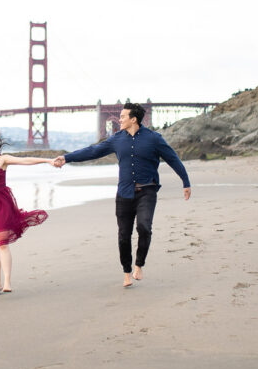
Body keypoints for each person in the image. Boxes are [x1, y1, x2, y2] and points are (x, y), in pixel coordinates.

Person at [53, 102, 191, 287]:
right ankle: (127, 272)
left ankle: (139, 264)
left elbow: (172, 158)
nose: (120, 119)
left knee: (144, 227)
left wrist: (186, 181)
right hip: (124, 193)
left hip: (147, 191)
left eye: (123, 116)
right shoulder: (117, 139)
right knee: (123, 236)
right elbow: (93, 151)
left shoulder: (154, 139)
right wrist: (67, 158)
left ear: (133, 119)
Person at [0, 127, 53, 296]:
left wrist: (47, 160)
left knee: (2, 243)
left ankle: (7, 281)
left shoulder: (2, 160)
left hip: (2, 205)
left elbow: (25, 160)